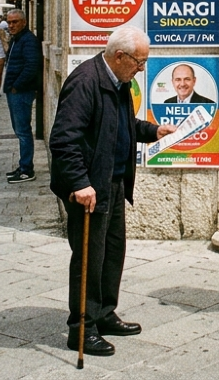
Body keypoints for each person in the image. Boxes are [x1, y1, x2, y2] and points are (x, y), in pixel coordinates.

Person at [49, 26, 176, 357]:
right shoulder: (85, 82)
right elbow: (64, 139)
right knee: (89, 258)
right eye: (139, 61)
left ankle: (104, 313)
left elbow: (122, 125)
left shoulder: (118, 83)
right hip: (90, 187)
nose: (142, 68)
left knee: (112, 252)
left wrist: (152, 130)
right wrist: (78, 183)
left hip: (113, 181)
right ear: (120, 56)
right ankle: (82, 328)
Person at [4, 9, 42, 183]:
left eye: (15, 22)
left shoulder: (28, 41)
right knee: (19, 130)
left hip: (21, 92)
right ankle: (24, 165)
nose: (11, 25)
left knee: (23, 131)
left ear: (24, 22)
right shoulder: (17, 40)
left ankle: (27, 169)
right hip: (15, 91)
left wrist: (16, 86)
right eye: (9, 22)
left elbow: (31, 66)